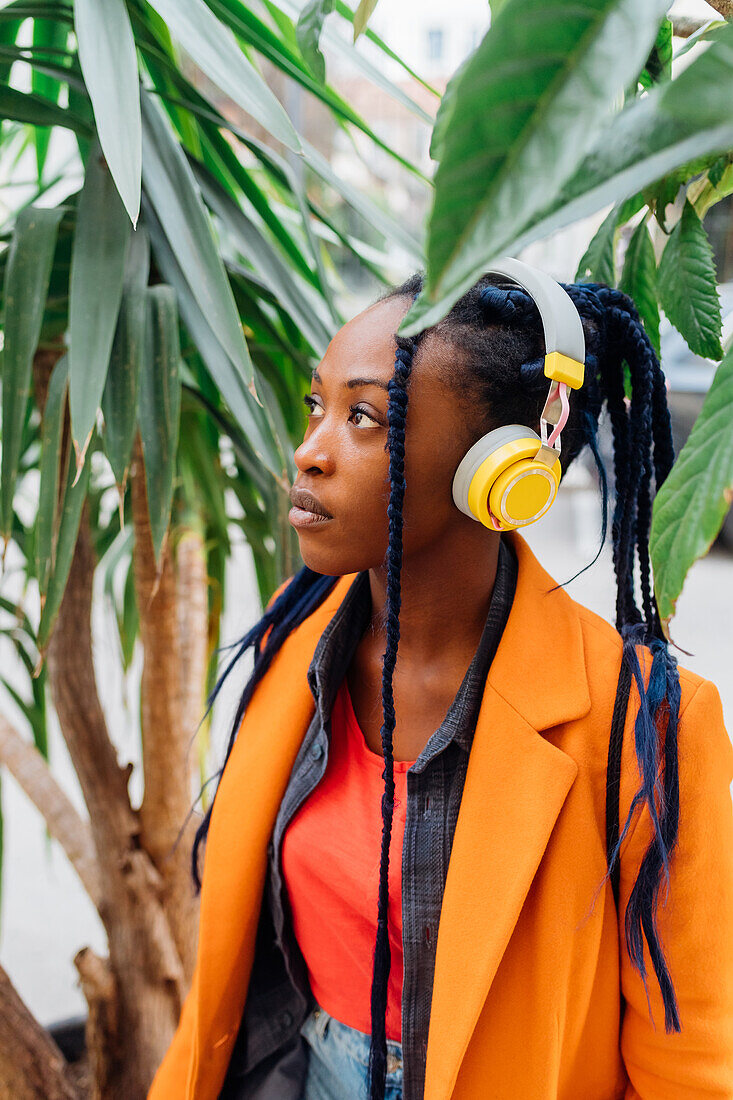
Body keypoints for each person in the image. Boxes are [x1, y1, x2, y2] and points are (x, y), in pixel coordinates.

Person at [147, 266, 733, 1100]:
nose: (309, 453)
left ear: (502, 469)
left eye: (364, 417)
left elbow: (690, 1065)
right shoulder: (298, 631)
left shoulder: (642, 723)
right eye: (317, 407)